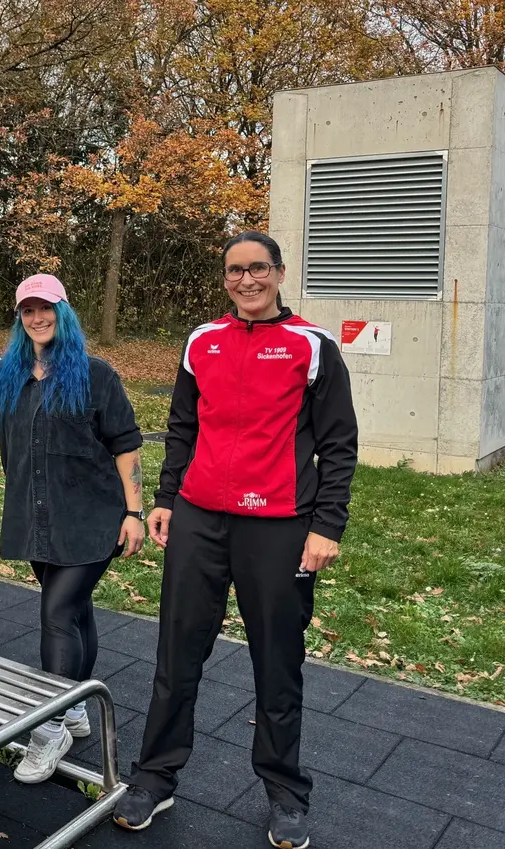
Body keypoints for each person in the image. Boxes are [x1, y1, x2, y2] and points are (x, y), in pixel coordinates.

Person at [112, 232, 359, 849]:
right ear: (225, 279)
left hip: (279, 525)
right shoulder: (203, 341)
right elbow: (182, 427)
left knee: (277, 661)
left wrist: (326, 526)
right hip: (199, 519)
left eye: (258, 268)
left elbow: (339, 445)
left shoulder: (313, 346)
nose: (247, 280)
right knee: (176, 655)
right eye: (234, 271)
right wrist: (166, 498)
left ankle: (285, 791)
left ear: (279, 273)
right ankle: (155, 776)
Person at [0, 274, 145, 784]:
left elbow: (126, 446)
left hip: (92, 518)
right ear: (19, 318)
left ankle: (49, 727)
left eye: (46, 308)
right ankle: (74, 704)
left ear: (64, 312)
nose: (37, 318)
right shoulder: (6, 376)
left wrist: (135, 513)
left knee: (56, 613)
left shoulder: (95, 375)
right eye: (27, 310)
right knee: (75, 612)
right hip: (37, 518)